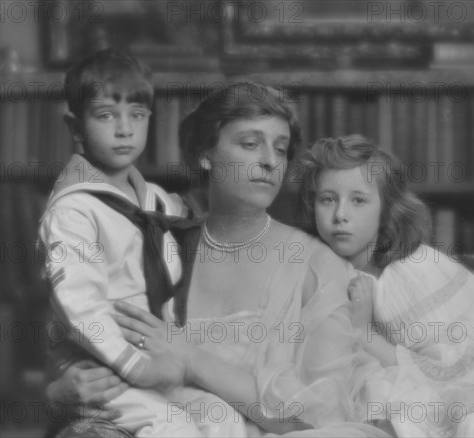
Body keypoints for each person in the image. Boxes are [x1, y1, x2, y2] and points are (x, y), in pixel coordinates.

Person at [45, 83, 392, 437]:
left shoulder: (317, 266)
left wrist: (191, 360)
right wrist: (60, 391)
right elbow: (86, 329)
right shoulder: (157, 243)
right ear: (205, 154)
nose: (270, 161)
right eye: (250, 144)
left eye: (281, 148)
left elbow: (320, 416)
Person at [300, 134, 474, 437]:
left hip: (458, 373)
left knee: (467, 409)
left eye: (358, 200)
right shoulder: (322, 268)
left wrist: (362, 332)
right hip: (388, 377)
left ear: (386, 210)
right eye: (327, 199)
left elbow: (432, 370)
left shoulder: (408, 272)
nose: (340, 215)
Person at [38, 48, 243, 437]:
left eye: (137, 115)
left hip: (160, 360)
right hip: (105, 369)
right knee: (172, 428)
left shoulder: (156, 202)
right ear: (75, 126)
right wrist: (139, 367)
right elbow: (81, 308)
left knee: (222, 418)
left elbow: (198, 240)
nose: (124, 129)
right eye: (105, 116)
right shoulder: (73, 212)